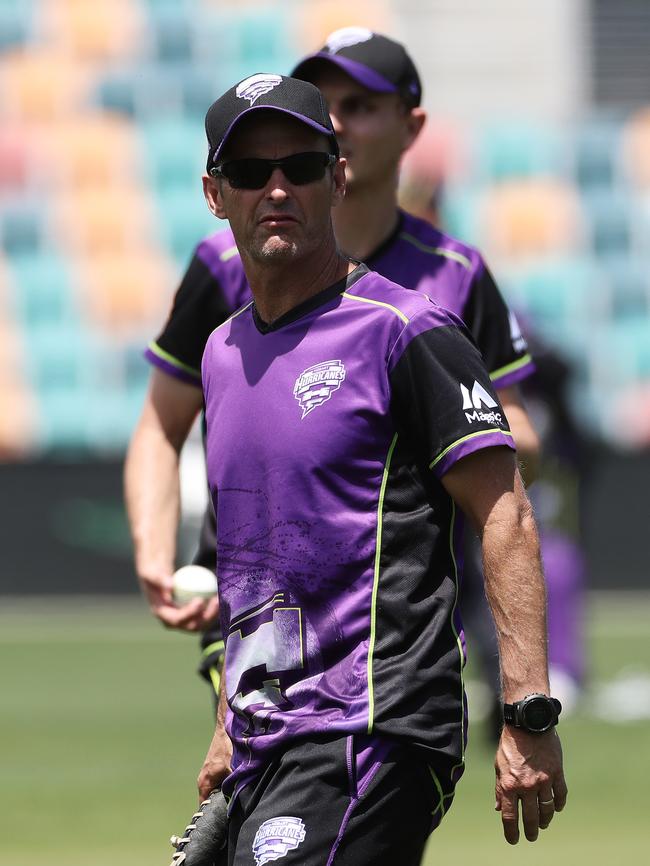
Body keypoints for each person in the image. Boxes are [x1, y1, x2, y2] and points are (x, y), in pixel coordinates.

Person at [193, 74, 565, 862]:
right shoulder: (220, 354)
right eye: (251, 173)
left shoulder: (408, 332)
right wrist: (229, 720)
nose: (278, 188)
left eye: (300, 164)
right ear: (214, 194)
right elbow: (252, 564)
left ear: (338, 177)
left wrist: (527, 713)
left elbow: (505, 513)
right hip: (272, 737)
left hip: (378, 724)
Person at [124, 29, 539, 707]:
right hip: (254, 593)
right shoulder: (228, 264)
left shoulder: (454, 277)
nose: (339, 118)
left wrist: (426, 442)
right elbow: (159, 425)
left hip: (390, 609)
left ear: (410, 128)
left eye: (361, 103)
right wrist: (152, 550)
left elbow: (513, 437)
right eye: (327, 101)